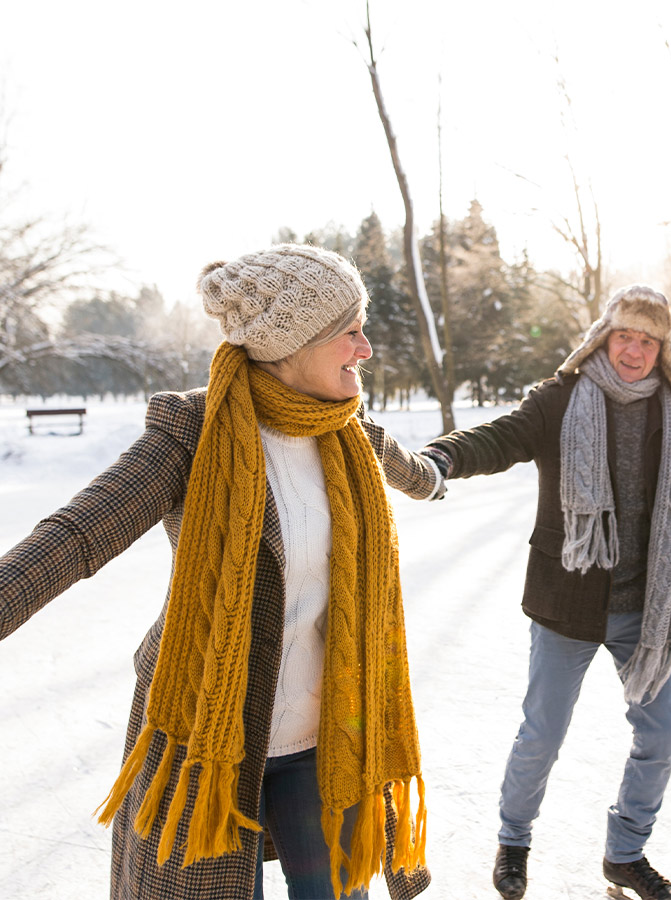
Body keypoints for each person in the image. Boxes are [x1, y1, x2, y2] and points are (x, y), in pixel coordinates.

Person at [0, 244, 444, 900]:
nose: (367, 348)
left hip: (329, 736)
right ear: (293, 344)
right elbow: (75, 536)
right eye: (350, 331)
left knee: (337, 891)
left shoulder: (351, 432)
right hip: (208, 734)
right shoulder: (194, 434)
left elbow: (413, 470)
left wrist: (440, 476)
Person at [420, 285, 671, 900]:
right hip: (567, 603)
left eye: (648, 340)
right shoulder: (560, 402)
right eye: (624, 336)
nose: (634, 350)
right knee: (542, 734)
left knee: (660, 735)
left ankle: (626, 854)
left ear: (663, 350)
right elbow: (500, 438)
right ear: (603, 338)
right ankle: (514, 842)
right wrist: (440, 458)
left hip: (646, 610)